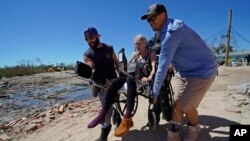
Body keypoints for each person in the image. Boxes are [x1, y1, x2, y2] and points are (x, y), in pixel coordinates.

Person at [141, 3, 218, 141]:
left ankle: (194, 128)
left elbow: (162, 66)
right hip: (183, 71)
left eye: (153, 18)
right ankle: (173, 134)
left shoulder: (172, 33)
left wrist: (154, 93)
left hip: (203, 71)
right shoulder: (162, 33)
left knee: (186, 105)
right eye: (148, 20)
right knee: (176, 102)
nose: (150, 22)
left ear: (163, 15)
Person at [83, 27, 125, 141]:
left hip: (113, 80)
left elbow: (117, 64)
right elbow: (90, 66)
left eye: (91, 37)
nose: (89, 41)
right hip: (100, 83)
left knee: (110, 105)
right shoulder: (87, 54)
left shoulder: (109, 48)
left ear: (97, 36)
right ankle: (104, 135)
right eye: (86, 39)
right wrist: (89, 68)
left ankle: (105, 133)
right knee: (107, 108)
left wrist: (121, 74)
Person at [114, 35, 157, 137]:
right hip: (135, 78)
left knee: (130, 78)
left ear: (145, 43)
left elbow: (154, 67)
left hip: (145, 78)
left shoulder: (151, 53)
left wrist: (150, 76)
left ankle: (127, 118)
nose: (137, 45)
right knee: (121, 77)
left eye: (139, 43)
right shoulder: (135, 54)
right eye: (135, 44)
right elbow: (129, 67)